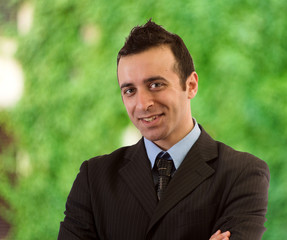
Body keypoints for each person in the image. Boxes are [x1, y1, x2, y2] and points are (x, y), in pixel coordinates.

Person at [58, 20, 269, 240]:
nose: (142, 104)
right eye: (130, 90)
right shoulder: (94, 179)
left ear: (191, 85)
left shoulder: (243, 174)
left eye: (155, 85)